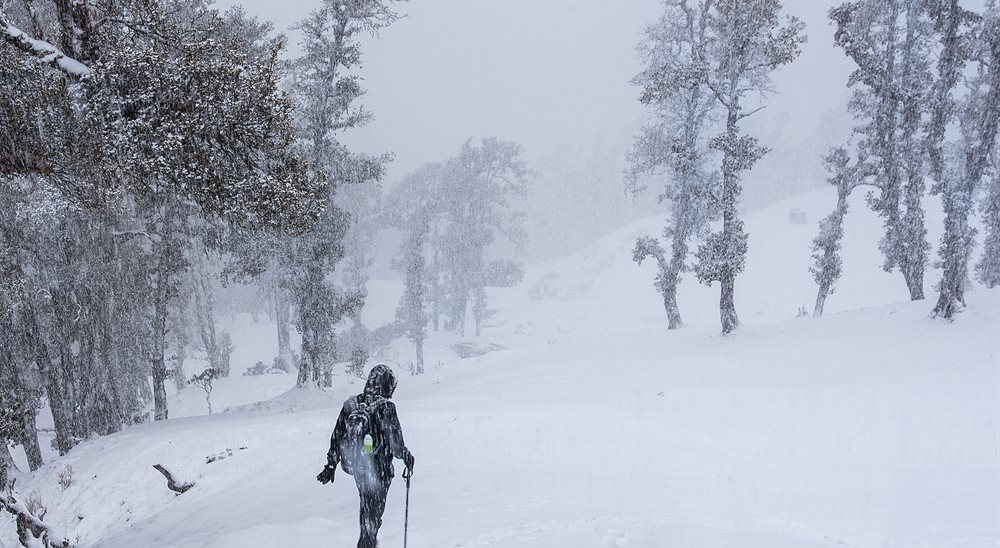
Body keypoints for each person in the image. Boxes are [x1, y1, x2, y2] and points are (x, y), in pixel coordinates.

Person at [317, 364, 415, 548]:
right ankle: (367, 542)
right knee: (373, 515)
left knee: (367, 508)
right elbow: (396, 444)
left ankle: (367, 539)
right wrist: (407, 456)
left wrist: (330, 465)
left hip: (360, 468)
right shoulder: (386, 407)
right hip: (381, 470)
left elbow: (337, 437)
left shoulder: (351, 405)